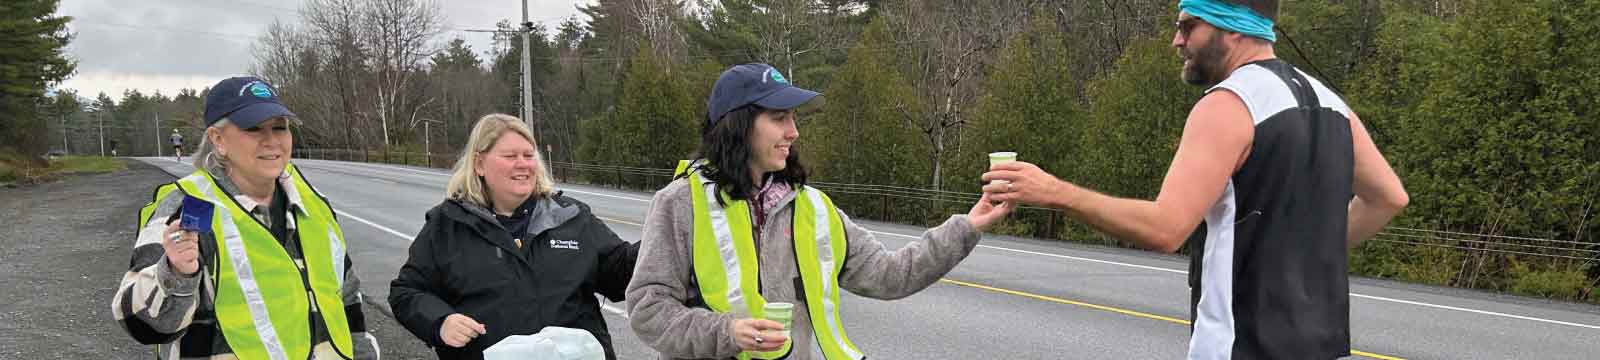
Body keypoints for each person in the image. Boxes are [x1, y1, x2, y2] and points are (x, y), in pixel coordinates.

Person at [980, 1, 1410, 359]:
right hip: (1324, 345)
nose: (1177, 40)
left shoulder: (1228, 104)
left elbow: (1165, 228)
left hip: (1243, 345)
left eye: (1189, 26)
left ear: (1233, 27)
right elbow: (1388, 198)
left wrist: (1053, 191)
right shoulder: (1329, 101)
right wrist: (1305, 255)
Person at [626, 63, 1014, 360]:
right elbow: (647, 308)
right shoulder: (679, 204)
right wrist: (728, 333)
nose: (793, 132)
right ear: (738, 126)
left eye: (793, 118)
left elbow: (890, 275)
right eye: (779, 119)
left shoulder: (812, 207)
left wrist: (968, 226)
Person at [111, 76, 379, 359]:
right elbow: (138, 324)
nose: (272, 141)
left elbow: (347, 298)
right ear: (218, 140)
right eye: (254, 129)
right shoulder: (187, 206)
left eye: (280, 127)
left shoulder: (312, 202)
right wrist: (175, 275)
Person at [389, 114, 639, 360]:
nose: (523, 164)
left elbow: (622, 272)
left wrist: (665, 235)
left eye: (529, 155)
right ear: (479, 164)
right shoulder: (448, 225)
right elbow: (406, 292)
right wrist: (440, 322)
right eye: (510, 156)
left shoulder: (571, 217)